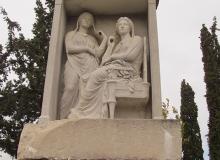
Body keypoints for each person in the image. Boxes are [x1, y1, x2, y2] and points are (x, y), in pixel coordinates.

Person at [68, 17, 144, 119]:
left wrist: (112, 57)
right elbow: (104, 61)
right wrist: (110, 46)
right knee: (84, 78)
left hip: (128, 71)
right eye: (120, 24)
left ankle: (82, 109)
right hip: (114, 69)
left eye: (125, 24)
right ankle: (87, 111)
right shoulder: (117, 46)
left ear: (130, 28)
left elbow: (130, 56)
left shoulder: (136, 39)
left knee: (95, 75)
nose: (122, 26)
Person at [59, 12, 107, 119]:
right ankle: (62, 117)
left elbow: (98, 53)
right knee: (70, 87)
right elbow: (69, 48)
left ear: (92, 24)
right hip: (73, 63)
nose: (87, 20)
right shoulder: (71, 34)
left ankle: (79, 115)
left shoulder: (92, 39)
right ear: (79, 20)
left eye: (90, 19)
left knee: (86, 92)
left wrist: (105, 40)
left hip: (90, 66)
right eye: (84, 18)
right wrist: (87, 49)